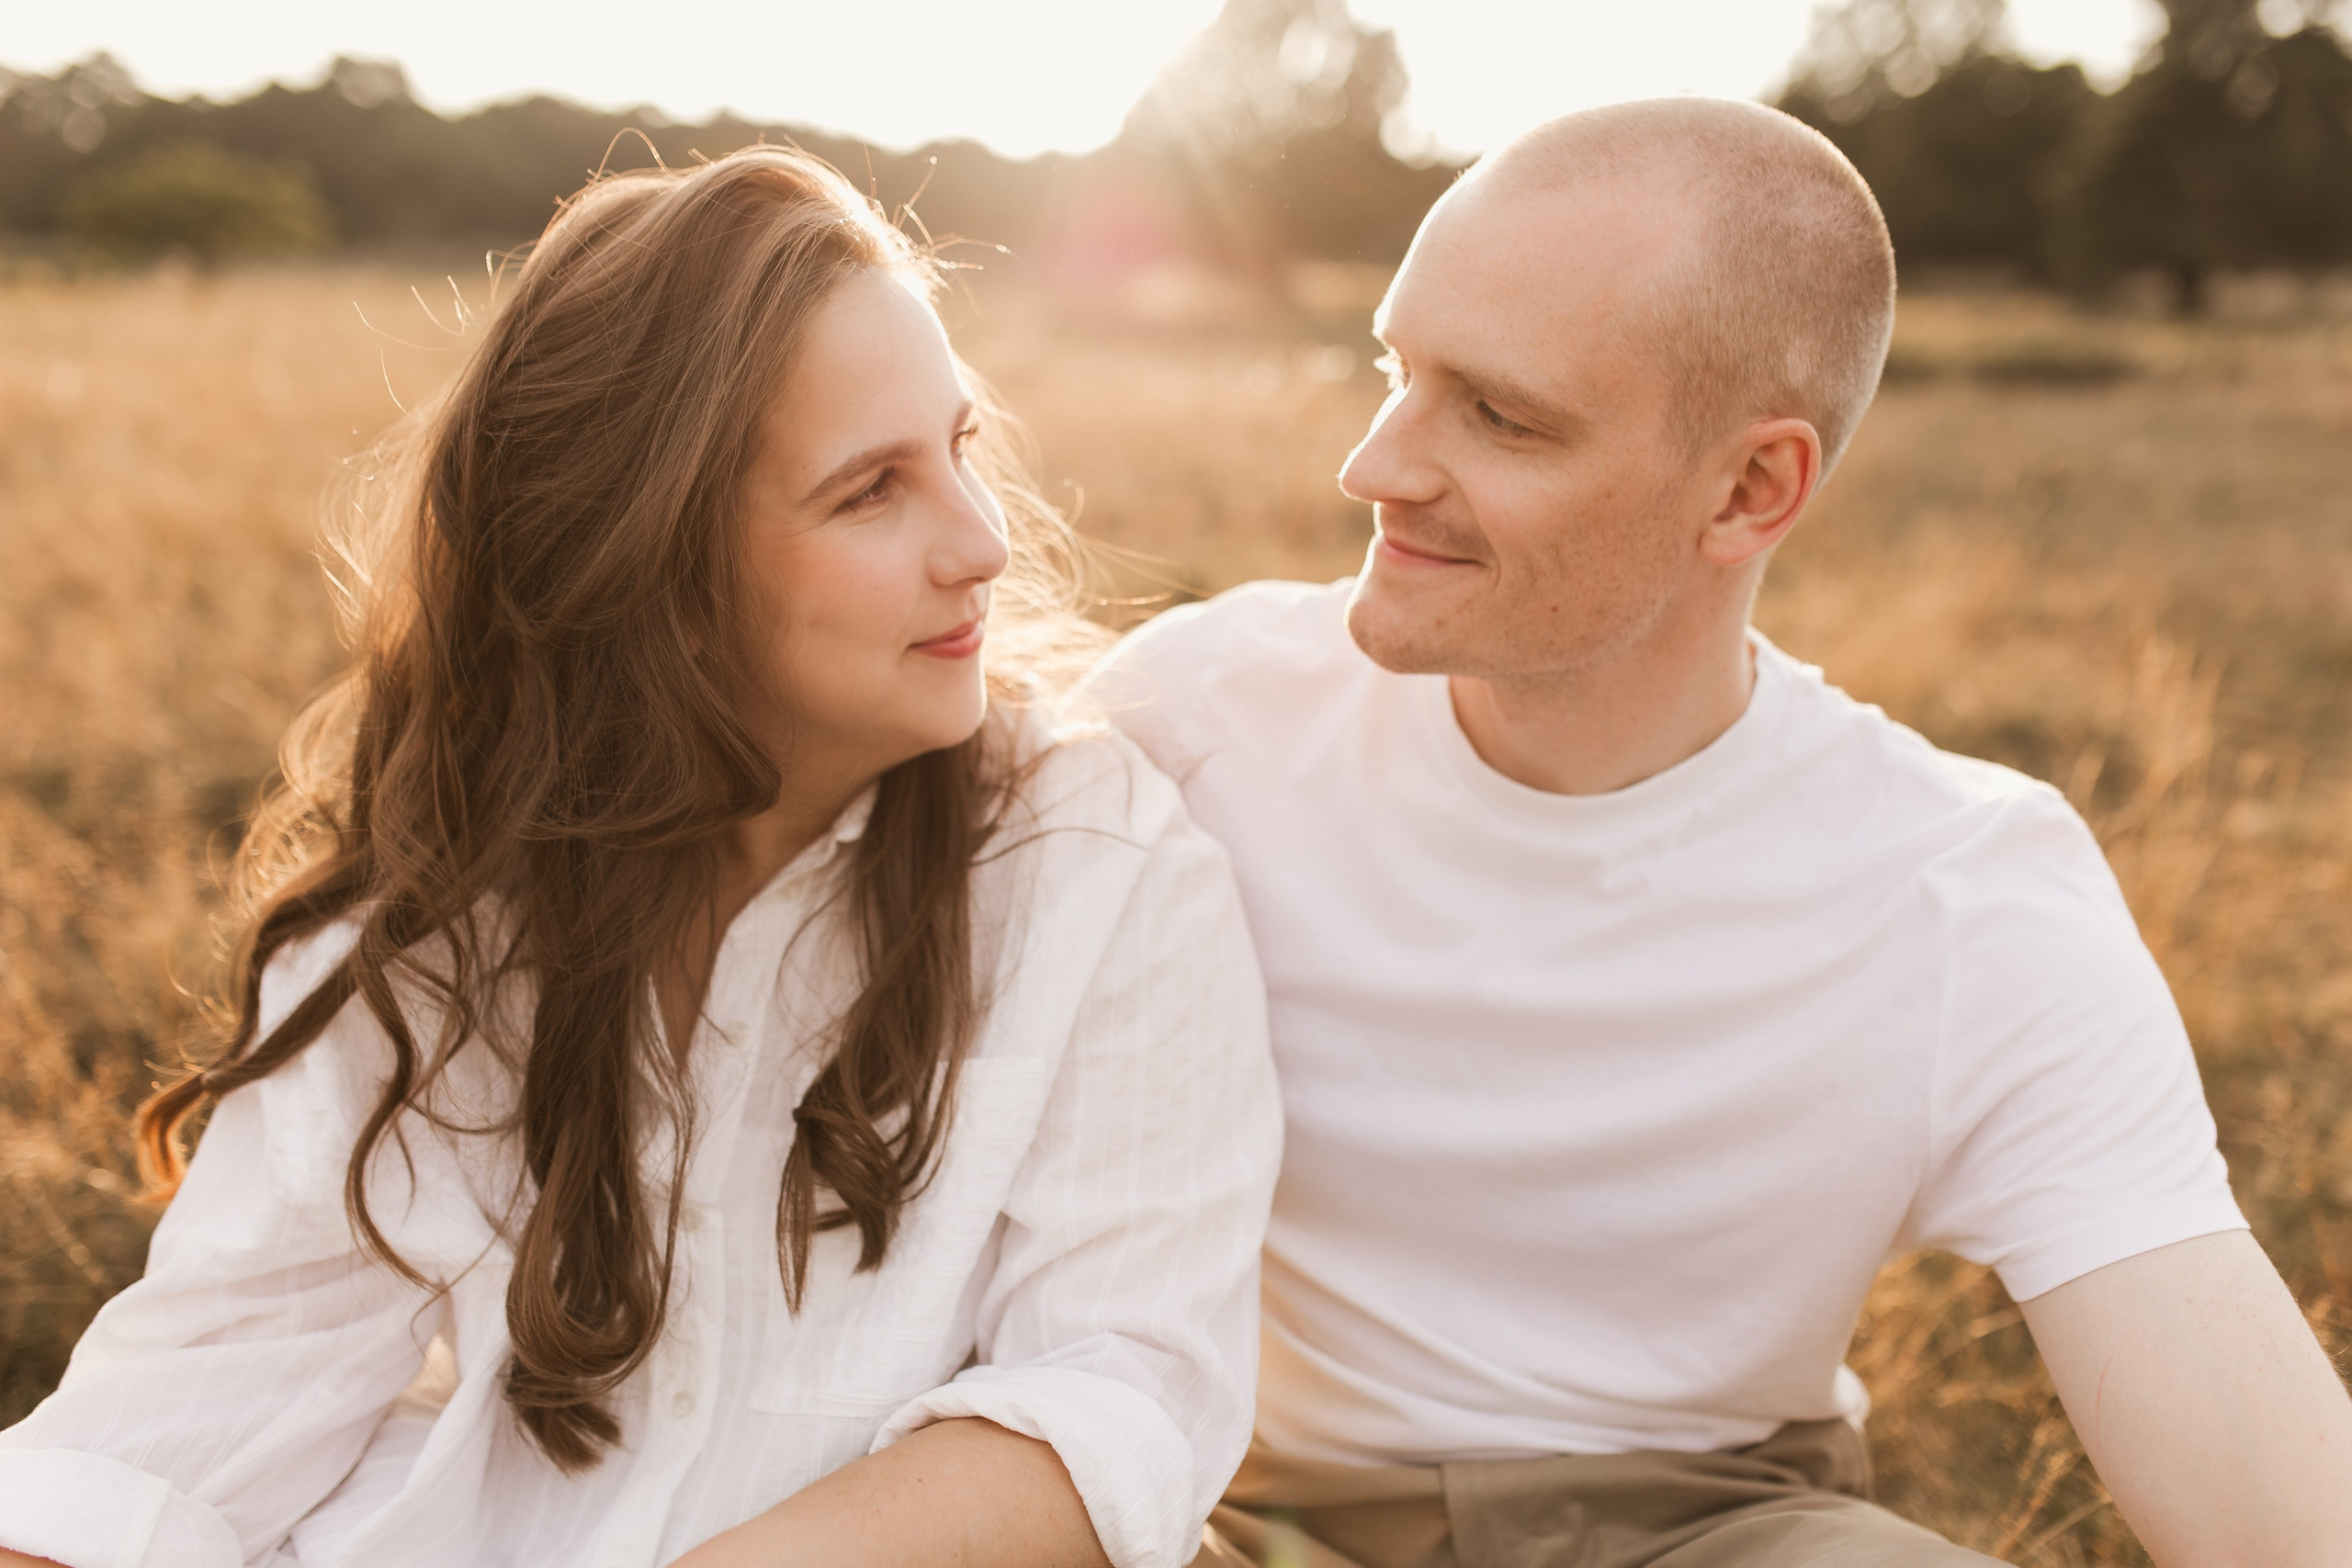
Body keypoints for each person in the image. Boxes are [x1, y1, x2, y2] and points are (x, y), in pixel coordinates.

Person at [1091, 99, 2352, 1567]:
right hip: (1227, 1513)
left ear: (1752, 490)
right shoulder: (1192, 723)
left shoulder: (1963, 892)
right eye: (1395, 369)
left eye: (1498, 414)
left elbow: (2278, 1502)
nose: (1373, 466)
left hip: (1712, 1528)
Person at [0, 146, 1279, 1568]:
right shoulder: (449, 910)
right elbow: (180, 1418)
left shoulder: (1101, 868)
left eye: (960, 453)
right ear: (649, 560)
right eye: (873, 492)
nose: (981, 543)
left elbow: (1116, 1404)